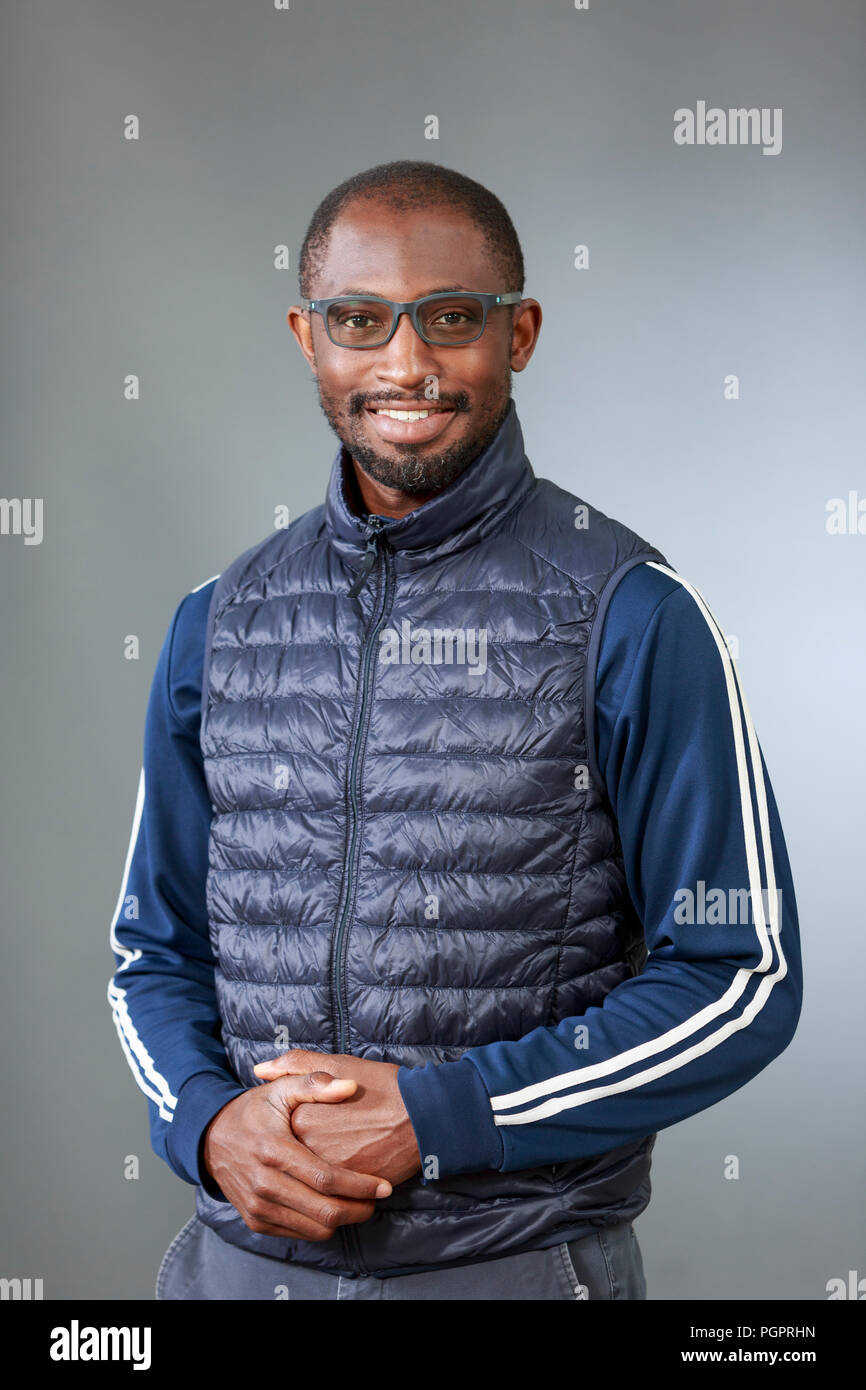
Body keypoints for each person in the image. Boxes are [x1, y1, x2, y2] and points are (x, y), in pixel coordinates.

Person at [108, 160, 802, 1301]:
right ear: (305, 335)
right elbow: (153, 951)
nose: (404, 363)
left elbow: (739, 975)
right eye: (358, 320)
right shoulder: (217, 620)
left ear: (517, 332)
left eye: (449, 319)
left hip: (511, 1272)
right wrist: (205, 1120)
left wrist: (441, 1116)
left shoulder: (628, 611)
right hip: (233, 1271)